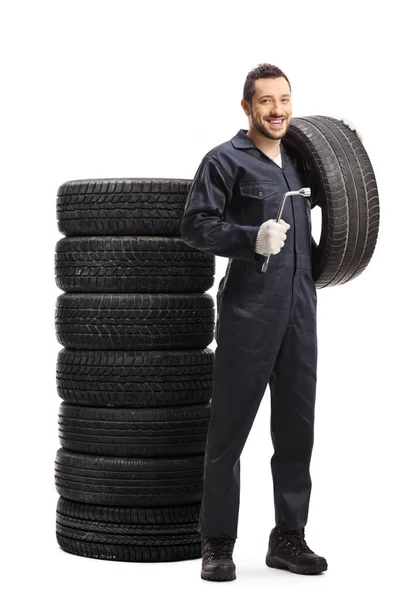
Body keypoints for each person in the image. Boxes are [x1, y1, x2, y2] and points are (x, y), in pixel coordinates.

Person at [180, 63, 328, 581]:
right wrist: (249, 237)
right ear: (247, 107)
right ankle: (217, 542)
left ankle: (288, 537)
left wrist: (347, 149)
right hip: (249, 312)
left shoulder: (302, 162)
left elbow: (344, 204)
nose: (277, 110)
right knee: (229, 433)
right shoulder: (225, 160)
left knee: (296, 431)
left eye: (284, 99)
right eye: (266, 101)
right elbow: (195, 226)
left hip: (300, 312)